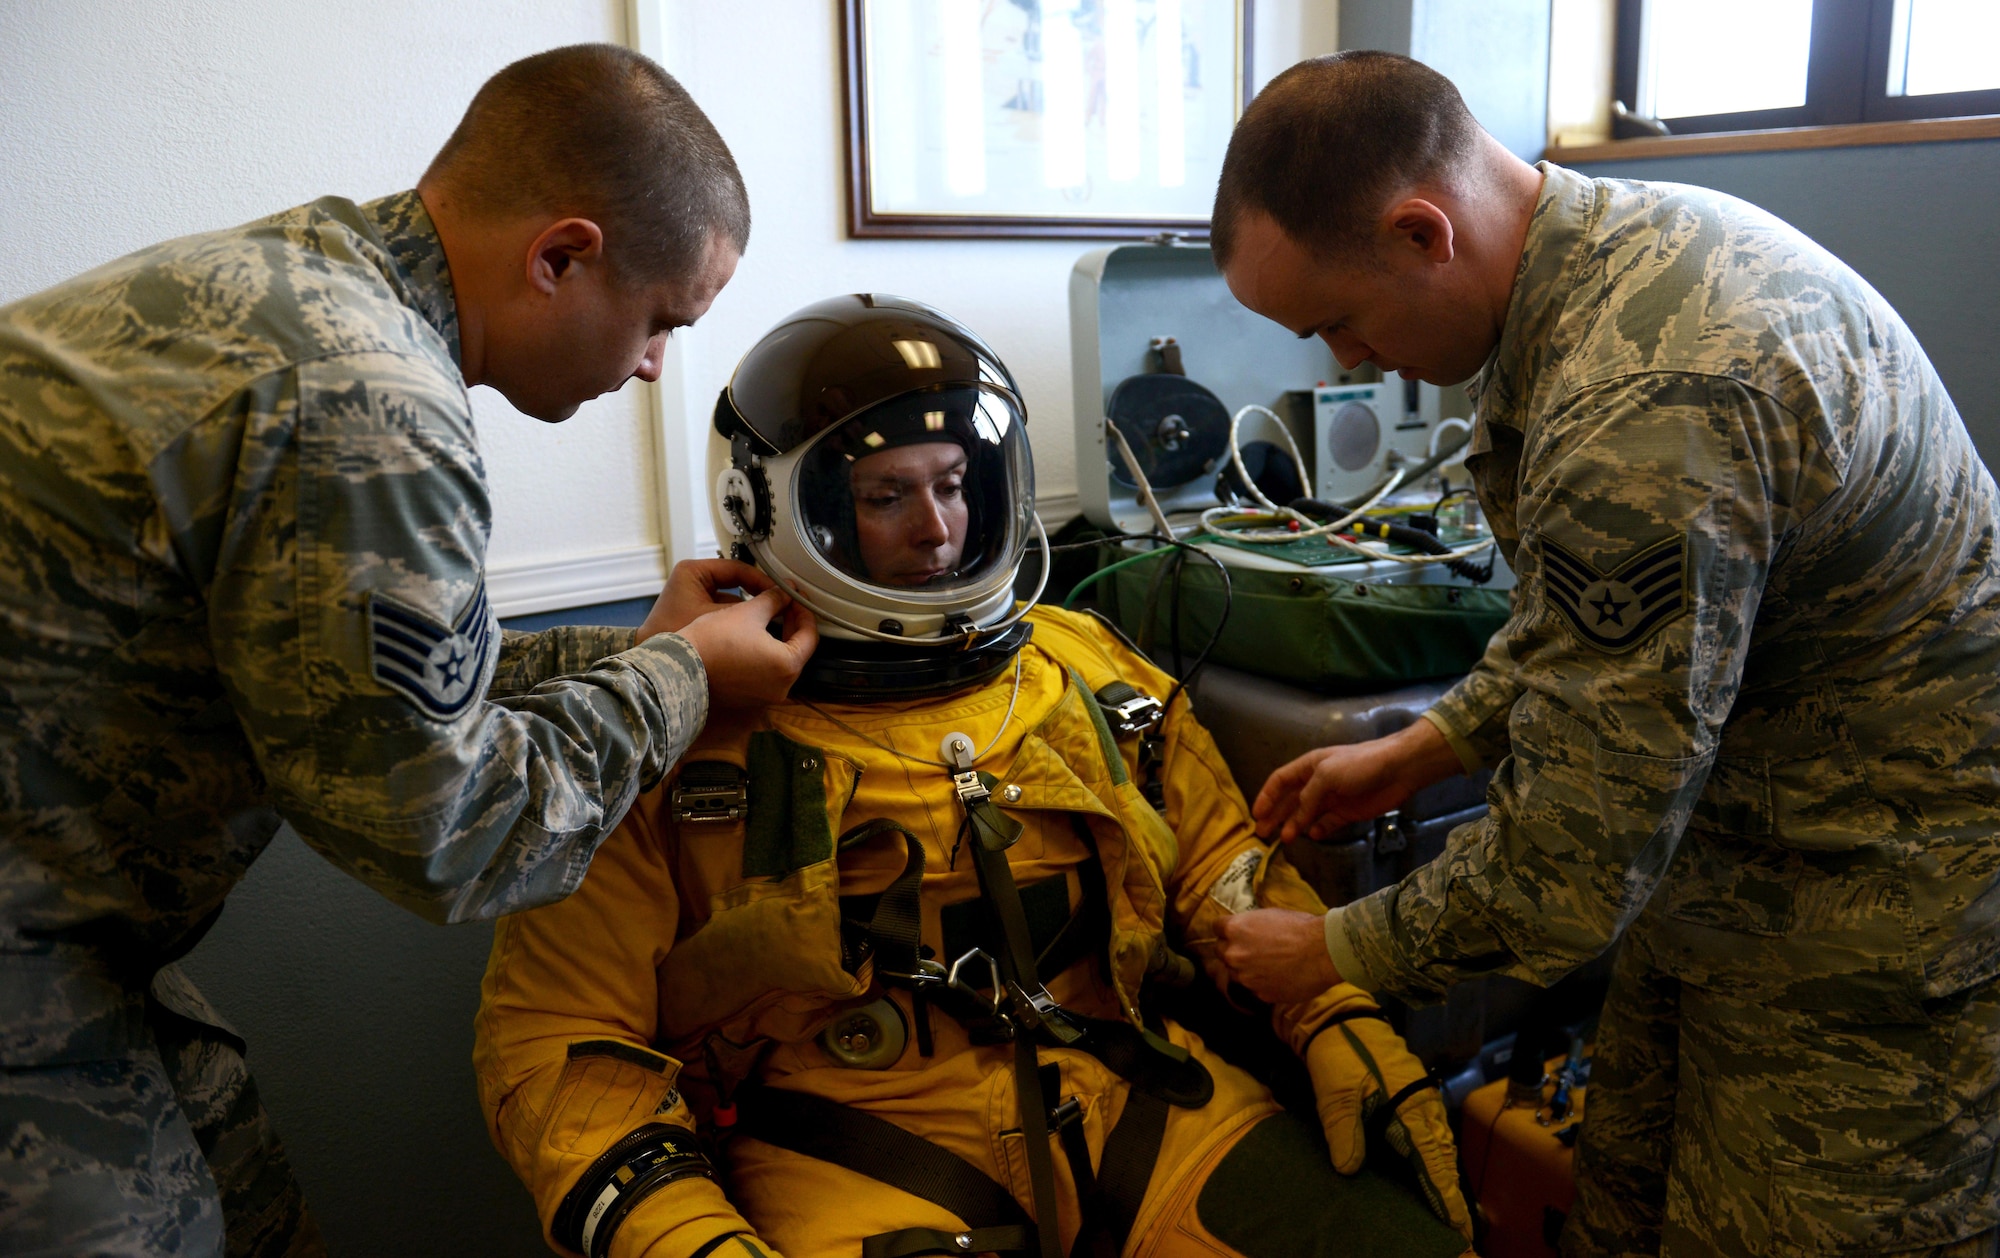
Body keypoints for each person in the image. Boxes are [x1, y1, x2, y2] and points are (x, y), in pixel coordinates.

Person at [0, 43, 815, 1258]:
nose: (652, 365)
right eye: (657, 323)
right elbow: (448, 830)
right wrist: (685, 681)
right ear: (561, 256)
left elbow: (376, 682)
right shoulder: (368, 399)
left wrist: (643, 645)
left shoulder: (301, 281)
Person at [472, 296, 1474, 1258]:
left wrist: (1326, 1009)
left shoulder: (1082, 668)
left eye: (952, 483)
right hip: (854, 1148)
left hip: (1139, 1101)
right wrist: (685, 1236)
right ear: (778, 509)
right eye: (884, 495)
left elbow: (1217, 862)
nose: (936, 527)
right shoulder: (671, 726)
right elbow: (560, 1041)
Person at [1206, 50, 2000, 1258]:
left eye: (1336, 321)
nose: (1344, 366)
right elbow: (1590, 628)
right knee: (1624, 1205)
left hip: (1874, 904)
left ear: (1422, 234)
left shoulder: (1649, 394)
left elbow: (1567, 869)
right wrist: (1430, 743)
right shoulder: (1590, 268)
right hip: (1733, 851)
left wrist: (1327, 951)